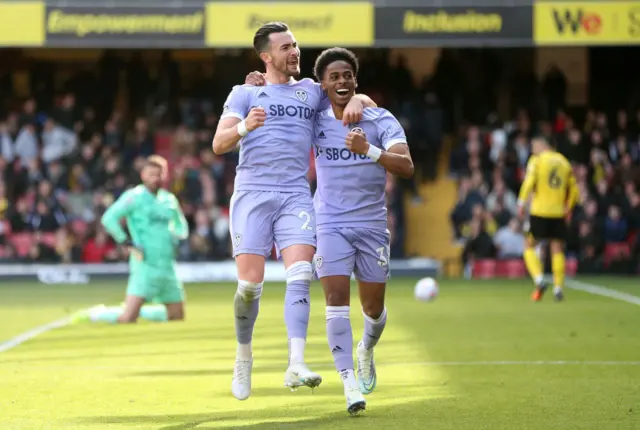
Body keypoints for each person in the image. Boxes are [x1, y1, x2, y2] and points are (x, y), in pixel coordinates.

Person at [212, 22, 376, 401]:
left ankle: (296, 362)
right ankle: (244, 354)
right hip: (252, 193)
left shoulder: (310, 92)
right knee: (250, 286)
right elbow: (219, 143)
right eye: (285, 47)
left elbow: (351, 95)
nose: (294, 52)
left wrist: (355, 100)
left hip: (295, 194)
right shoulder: (243, 93)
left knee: (301, 273)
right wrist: (244, 128)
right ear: (266, 57)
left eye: (296, 44)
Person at [312, 48, 414, 415]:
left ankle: (366, 349)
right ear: (322, 84)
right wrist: (254, 84)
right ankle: (349, 384)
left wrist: (367, 149)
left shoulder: (380, 118)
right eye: (334, 77)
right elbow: (283, 101)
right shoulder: (315, 120)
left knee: (373, 308)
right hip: (329, 223)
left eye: (347, 77)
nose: (341, 81)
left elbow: (405, 166)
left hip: (372, 225)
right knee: (335, 300)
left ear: (356, 81)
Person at [73, 155, 189, 324]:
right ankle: (96, 314)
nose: (155, 178)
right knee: (127, 318)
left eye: (159, 174)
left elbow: (181, 226)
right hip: (145, 264)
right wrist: (127, 243)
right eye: (151, 174)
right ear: (143, 175)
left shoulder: (169, 199)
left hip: (167, 266)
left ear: (165, 176)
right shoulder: (134, 196)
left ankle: (143, 312)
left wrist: (176, 237)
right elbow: (109, 218)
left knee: (177, 316)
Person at [517, 137, 578, 301]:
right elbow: (574, 189)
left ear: (543, 145)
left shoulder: (537, 161)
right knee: (557, 248)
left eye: (534, 145)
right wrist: (568, 207)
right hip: (558, 212)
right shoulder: (564, 162)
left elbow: (529, 182)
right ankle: (558, 288)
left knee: (528, 246)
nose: (532, 149)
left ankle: (539, 279)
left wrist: (521, 203)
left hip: (540, 211)